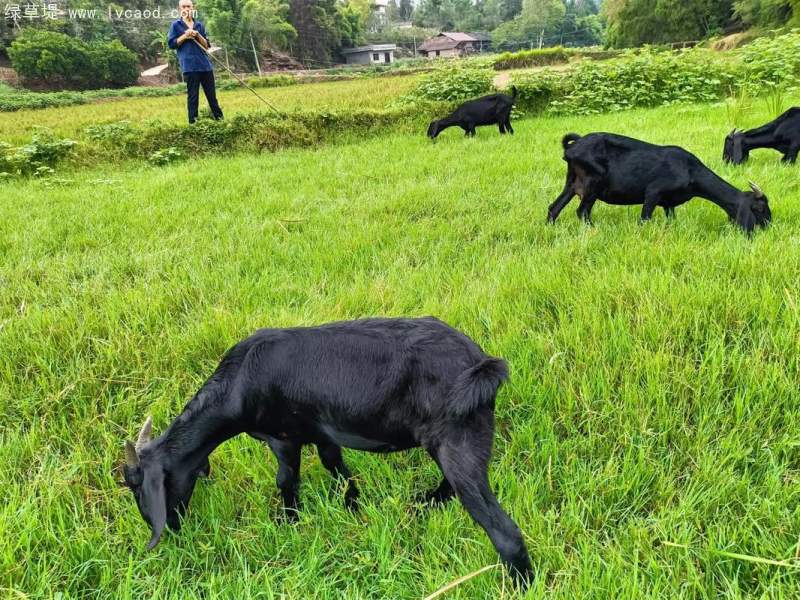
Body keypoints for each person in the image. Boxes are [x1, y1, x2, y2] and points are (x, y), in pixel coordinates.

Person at [167, 0, 224, 124]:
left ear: (193, 8)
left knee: (212, 97)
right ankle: (193, 125)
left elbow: (206, 45)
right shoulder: (176, 25)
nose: (186, 9)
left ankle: (221, 121)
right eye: (184, 7)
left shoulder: (199, 25)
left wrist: (197, 35)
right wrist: (185, 36)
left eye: (189, 6)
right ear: (179, 9)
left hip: (205, 66)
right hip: (190, 67)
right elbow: (172, 44)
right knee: (193, 98)